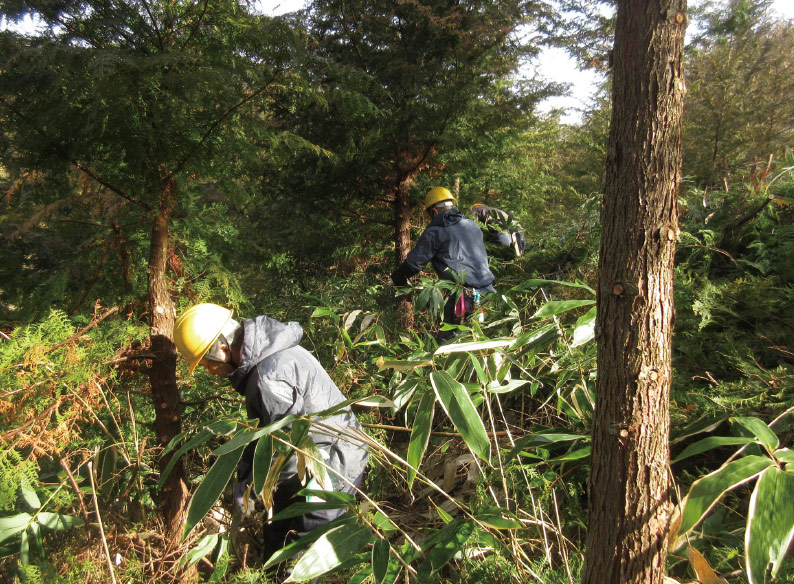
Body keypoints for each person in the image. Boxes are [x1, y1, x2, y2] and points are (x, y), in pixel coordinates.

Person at [173, 303, 369, 561]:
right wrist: (245, 477)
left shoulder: (267, 379)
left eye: (206, 364)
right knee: (276, 531)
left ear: (222, 349)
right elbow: (268, 435)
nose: (210, 372)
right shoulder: (269, 356)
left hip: (333, 463)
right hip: (322, 453)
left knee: (296, 552)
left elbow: (291, 448)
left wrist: (255, 491)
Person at [391, 186, 496, 342]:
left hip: (461, 296)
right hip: (487, 292)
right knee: (480, 342)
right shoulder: (472, 225)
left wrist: (396, 280)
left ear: (434, 211)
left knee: (449, 344)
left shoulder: (435, 231)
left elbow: (414, 264)